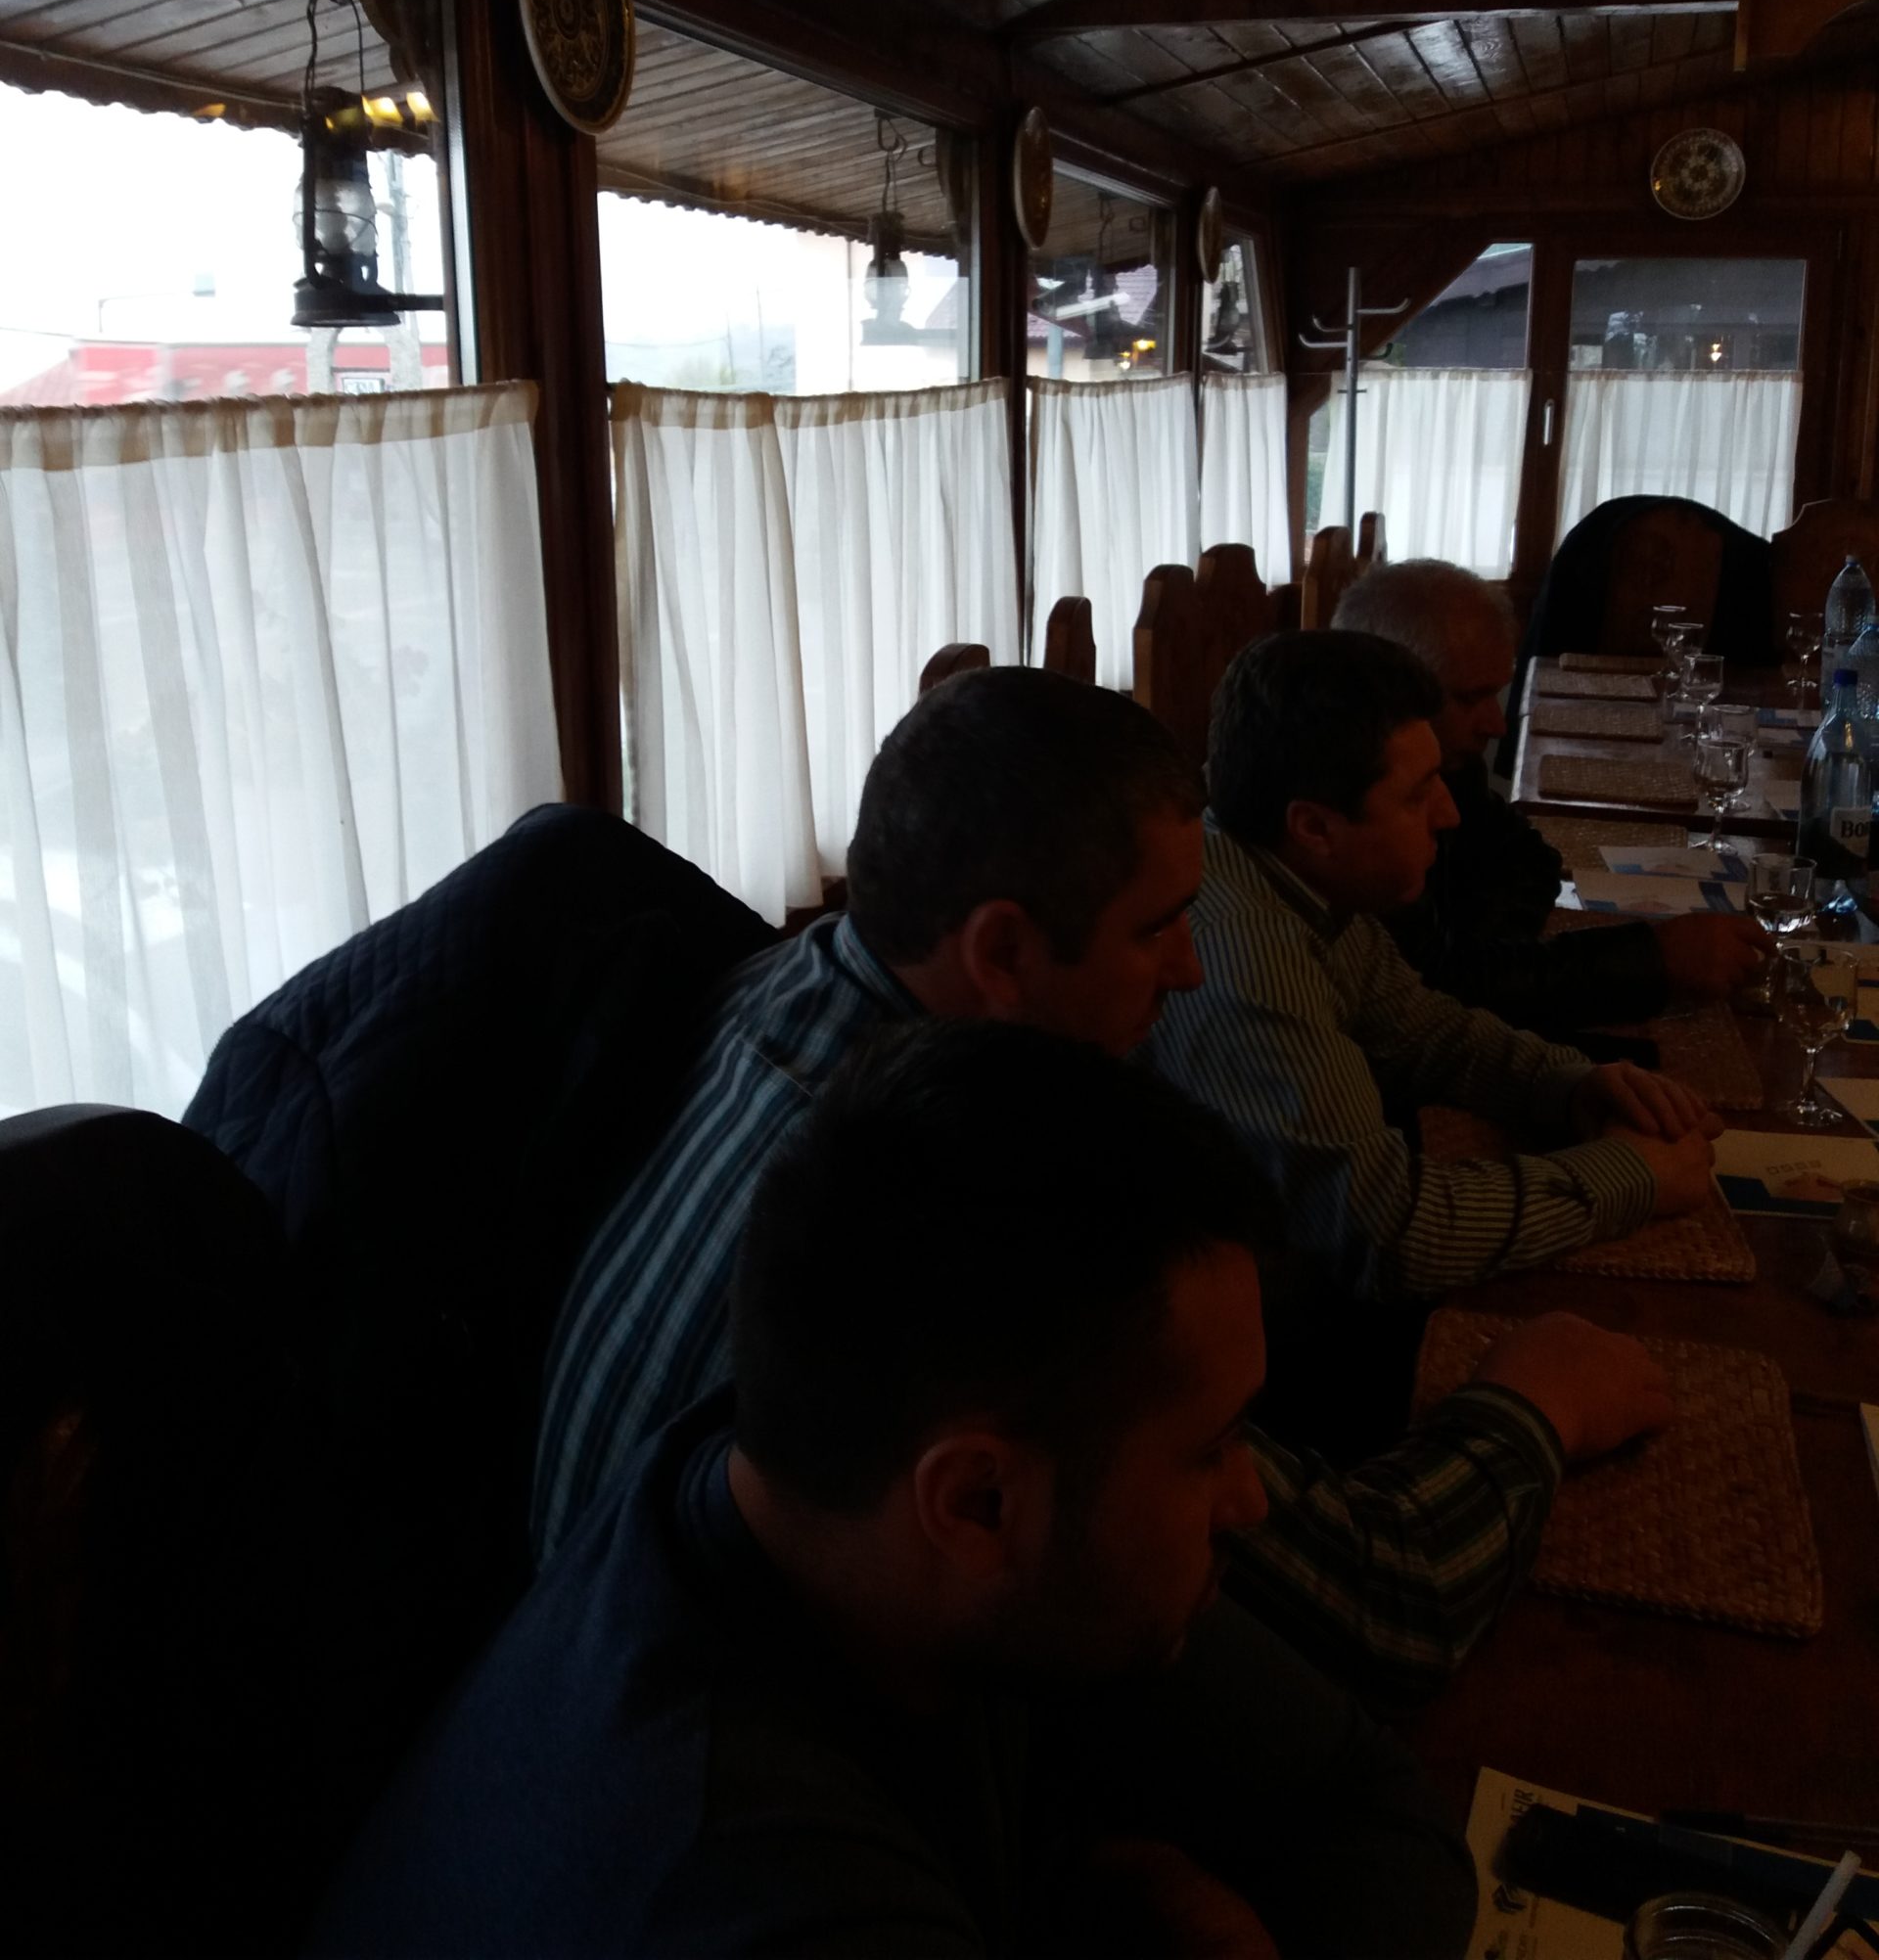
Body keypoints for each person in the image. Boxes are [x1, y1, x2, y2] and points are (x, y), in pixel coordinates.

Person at [536, 667, 1672, 1702]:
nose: (1189, 968)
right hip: (739, 1732)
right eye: (1157, 929)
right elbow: (1393, 1601)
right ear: (1001, 953)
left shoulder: (781, 985)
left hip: (585, 1642)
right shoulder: (964, 1196)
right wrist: (1537, 1400)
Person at [312, 1025, 1485, 1960]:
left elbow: (1370, 1803)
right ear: (974, 1504)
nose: (1252, 1499)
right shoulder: (748, 1885)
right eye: (1213, 1448)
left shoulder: (817, 1491)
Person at [1148, 630, 1722, 1307]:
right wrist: (1630, 1176)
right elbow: (1390, 1236)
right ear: (1315, 828)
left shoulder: (1301, 882)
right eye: (1418, 796)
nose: (1448, 814)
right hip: (1246, 1317)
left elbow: (1421, 1031)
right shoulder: (1248, 954)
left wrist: (1570, 1084)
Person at [1332, 559, 1765, 1031]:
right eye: (1470, 698)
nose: (1496, 725)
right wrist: (1654, 959)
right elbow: (1439, 990)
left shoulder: (1448, 763)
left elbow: (1530, 859)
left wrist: (1489, 953)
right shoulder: (1351, 810)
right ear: (1385, 687)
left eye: (1495, 694)